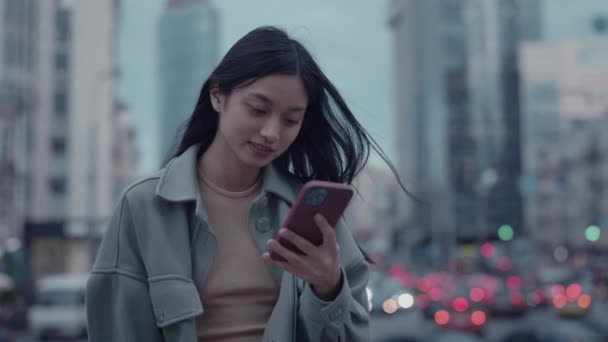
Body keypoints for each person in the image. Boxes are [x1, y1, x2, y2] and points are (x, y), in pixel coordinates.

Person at [86, 26, 406, 342]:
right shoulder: (144, 206)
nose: (271, 132)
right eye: (258, 109)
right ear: (217, 96)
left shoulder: (312, 214)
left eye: (291, 120)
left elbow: (353, 335)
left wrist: (328, 288)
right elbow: (117, 329)